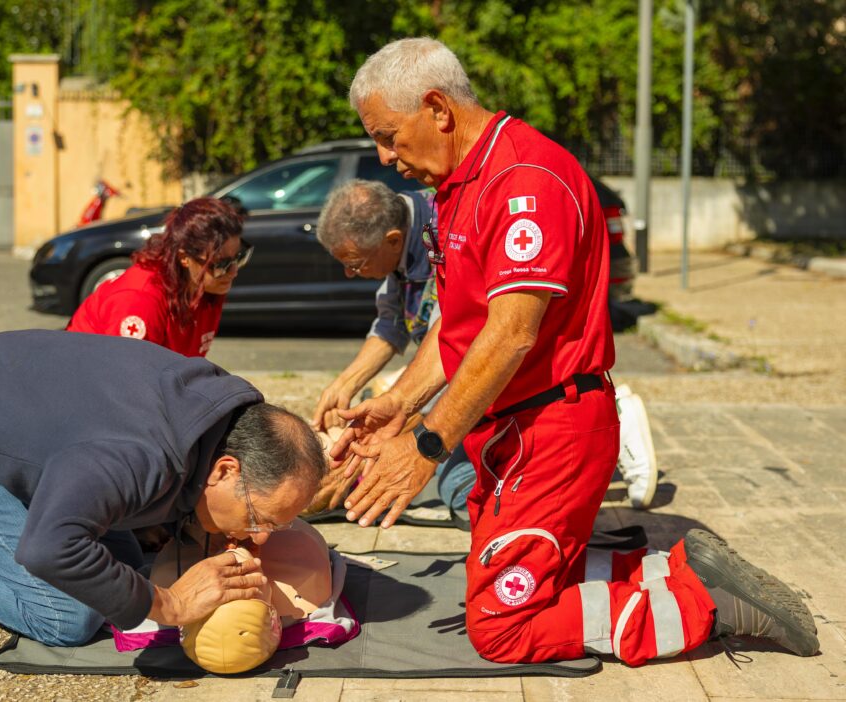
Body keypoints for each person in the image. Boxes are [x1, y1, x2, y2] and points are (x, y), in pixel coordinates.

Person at [329, 38, 818, 665]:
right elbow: (461, 323)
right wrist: (396, 403)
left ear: (437, 108)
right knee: (496, 558)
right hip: (513, 432)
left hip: (552, 431)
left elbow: (511, 334)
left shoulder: (524, 180)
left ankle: (710, 603)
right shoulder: (461, 184)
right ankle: (665, 568)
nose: (385, 157)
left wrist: (427, 445)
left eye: (390, 137)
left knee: (501, 629)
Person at [0, 330, 325, 645]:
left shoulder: (221, 415)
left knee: (125, 575)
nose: (261, 538)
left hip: (2, 416)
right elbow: (49, 549)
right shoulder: (141, 459)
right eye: (262, 520)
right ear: (224, 471)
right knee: (68, 614)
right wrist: (170, 605)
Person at [311, 179, 657, 513]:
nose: (350, 275)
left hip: (513, 380)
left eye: (354, 264)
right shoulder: (399, 233)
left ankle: (607, 423)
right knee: (455, 476)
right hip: (477, 381)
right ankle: (560, 468)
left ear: (392, 240)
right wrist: (344, 385)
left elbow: (454, 354)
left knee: (459, 483)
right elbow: (391, 325)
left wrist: (367, 457)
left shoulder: (445, 230)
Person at [67, 197, 251, 357]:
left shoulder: (207, 285)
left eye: (238, 257)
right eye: (221, 264)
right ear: (184, 257)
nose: (234, 271)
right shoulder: (140, 300)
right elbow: (125, 383)